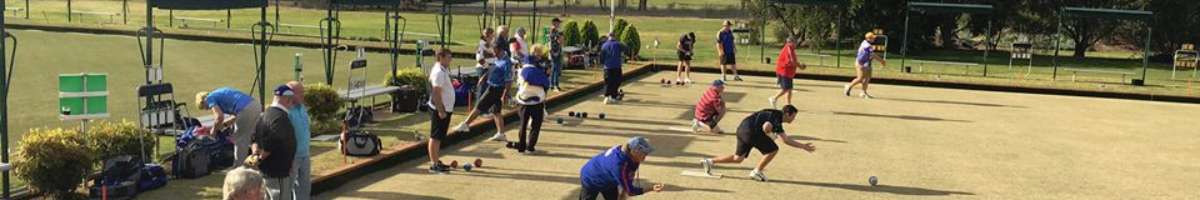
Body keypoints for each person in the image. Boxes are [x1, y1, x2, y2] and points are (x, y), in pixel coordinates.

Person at [700, 105, 816, 182]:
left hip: (742, 128)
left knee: (738, 158)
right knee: (773, 150)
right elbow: (769, 128)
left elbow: (780, 136)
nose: (793, 119)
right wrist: (770, 135)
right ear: (787, 114)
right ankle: (756, 172)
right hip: (751, 132)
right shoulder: (777, 117)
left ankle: (709, 162)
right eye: (793, 116)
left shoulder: (773, 112)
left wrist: (769, 134)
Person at [452, 43, 513, 142]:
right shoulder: (498, 58)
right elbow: (492, 69)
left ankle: (466, 124)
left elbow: (508, 81)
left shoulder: (507, 62)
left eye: (494, 50)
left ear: (499, 49)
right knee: (496, 111)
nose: (492, 52)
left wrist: (505, 95)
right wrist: (484, 77)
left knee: (479, 105)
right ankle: (501, 133)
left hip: (495, 88)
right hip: (492, 86)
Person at [250, 85, 298, 200]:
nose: (292, 103)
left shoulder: (265, 114)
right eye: (291, 100)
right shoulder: (280, 118)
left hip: (267, 170)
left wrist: (255, 155)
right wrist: (260, 157)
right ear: (286, 99)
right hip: (277, 171)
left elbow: (254, 138)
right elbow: (273, 143)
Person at [578, 137, 665, 200]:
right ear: (634, 151)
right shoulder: (619, 165)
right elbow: (631, 191)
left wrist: (623, 194)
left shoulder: (632, 156)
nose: (645, 157)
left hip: (609, 178)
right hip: (591, 178)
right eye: (643, 153)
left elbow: (629, 176)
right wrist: (651, 188)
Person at [196, 87, 261, 167]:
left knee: (240, 140)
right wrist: (221, 126)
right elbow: (235, 117)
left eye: (205, 107)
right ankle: (257, 160)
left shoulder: (209, 98)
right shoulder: (219, 93)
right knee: (252, 136)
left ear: (203, 102)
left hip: (245, 110)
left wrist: (213, 131)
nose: (208, 109)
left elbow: (219, 117)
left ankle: (238, 167)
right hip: (255, 106)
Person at [510, 45, 551, 154]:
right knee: (536, 125)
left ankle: (522, 147)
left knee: (523, 124)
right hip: (537, 101)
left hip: (523, 99)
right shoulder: (541, 69)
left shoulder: (521, 70)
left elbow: (519, 82)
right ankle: (530, 147)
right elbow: (546, 83)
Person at [427, 48, 456, 173]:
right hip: (440, 108)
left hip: (445, 108)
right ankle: (434, 164)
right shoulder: (438, 72)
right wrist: (441, 110)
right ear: (441, 57)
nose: (451, 59)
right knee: (435, 137)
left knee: (439, 137)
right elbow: (436, 93)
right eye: (448, 57)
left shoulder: (442, 70)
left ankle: (436, 160)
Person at [285, 81, 312, 200]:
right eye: (300, 93)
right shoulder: (286, 111)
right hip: (292, 156)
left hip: (305, 154)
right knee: (287, 187)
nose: (303, 95)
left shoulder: (302, 108)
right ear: (290, 94)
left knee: (304, 187)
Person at [845, 32, 887, 99]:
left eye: (873, 38)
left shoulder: (867, 44)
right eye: (872, 38)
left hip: (866, 63)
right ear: (868, 38)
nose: (873, 39)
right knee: (860, 78)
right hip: (860, 63)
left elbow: (870, 55)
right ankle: (849, 86)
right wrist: (882, 61)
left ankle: (863, 93)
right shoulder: (866, 45)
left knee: (867, 78)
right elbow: (873, 55)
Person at [770, 37, 805, 108]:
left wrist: (799, 65)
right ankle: (774, 98)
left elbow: (793, 61)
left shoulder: (791, 49)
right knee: (786, 89)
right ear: (790, 43)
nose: (795, 44)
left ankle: (788, 104)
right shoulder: (788, 48)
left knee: (789, 89)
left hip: (788, 72)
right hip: (784, 71)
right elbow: (791, 61)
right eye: (794, 42)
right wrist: (800, 66)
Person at [600, 32, 624, 104]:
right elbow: (626, 49)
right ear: (615, 37)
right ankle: (613, 96)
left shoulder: (604, 45)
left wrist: (602, 63)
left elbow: (602, 56)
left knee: (608, 82)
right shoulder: (618, 44)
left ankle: (607, 97)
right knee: (616, 82)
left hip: (607, 67)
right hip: (616, 66)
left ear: (608, 37)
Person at [547, 18, 566, 91]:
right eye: (558, 23)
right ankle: (555, 85)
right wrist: (561, 38)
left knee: (554, 68)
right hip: (555, 52)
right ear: (555, 23)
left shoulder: (556, 31)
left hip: (556, 51)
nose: (559, 24)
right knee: (556, 69)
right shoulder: (554, 31)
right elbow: (558, 41)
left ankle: (552, 85)